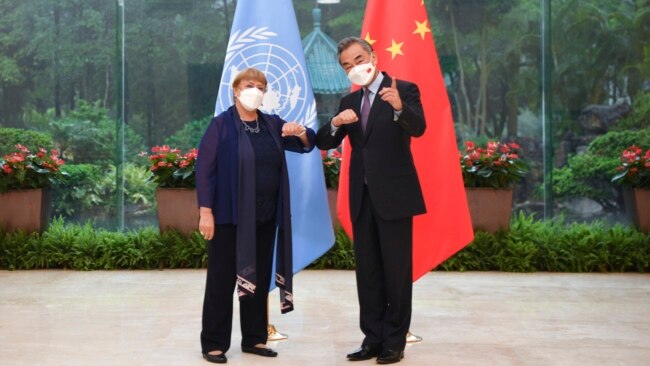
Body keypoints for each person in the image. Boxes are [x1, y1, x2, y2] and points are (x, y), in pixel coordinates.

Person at [315, 37, 426, 364]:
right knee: (368, 273)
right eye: (347, 66)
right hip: (361, 198)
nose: (354, 68)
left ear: (373, 56)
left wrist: (398, 108)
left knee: (396, 272)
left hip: (395, 196)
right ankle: (372, 339)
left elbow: (419, 128)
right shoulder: (348, 100)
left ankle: (394, 342)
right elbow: (324, 140)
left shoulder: (403, 89)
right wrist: (336, 122)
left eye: (358, 59)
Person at [196, 67, 315, 364]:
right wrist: (205, 212)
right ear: (236, 91)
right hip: (227, 217)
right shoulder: (221, 126)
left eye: (261, 86)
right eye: (249, 85)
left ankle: (254, 339)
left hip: (264, 217)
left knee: (258, 280)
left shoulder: (272, 124)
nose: (255, 90)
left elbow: (308, 143)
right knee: (222, 281)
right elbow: (204, 171)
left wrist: (298, 131)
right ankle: (213, 342)